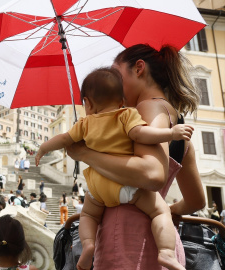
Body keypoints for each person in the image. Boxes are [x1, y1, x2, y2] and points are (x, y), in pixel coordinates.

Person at [63, 44, 205, 269]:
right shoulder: (177, 125)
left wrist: (84, 153)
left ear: (139, 69)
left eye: (116, 76)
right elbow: (197, 200)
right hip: (161, 245)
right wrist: (167, 211)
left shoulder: (145, 109)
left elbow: (152, 173)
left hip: (128, 241)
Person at [36, 67, 193, 270]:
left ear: (87, 103)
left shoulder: (84, 123)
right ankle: (166, 253)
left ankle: (88, 245)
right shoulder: (127, 114)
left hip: (98, 188)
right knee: (160, 212)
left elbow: (64, 139)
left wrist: (43, 148)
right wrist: (170, 133)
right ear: (121, 101)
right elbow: (141, 135)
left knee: (88, 216)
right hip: (128, 187)